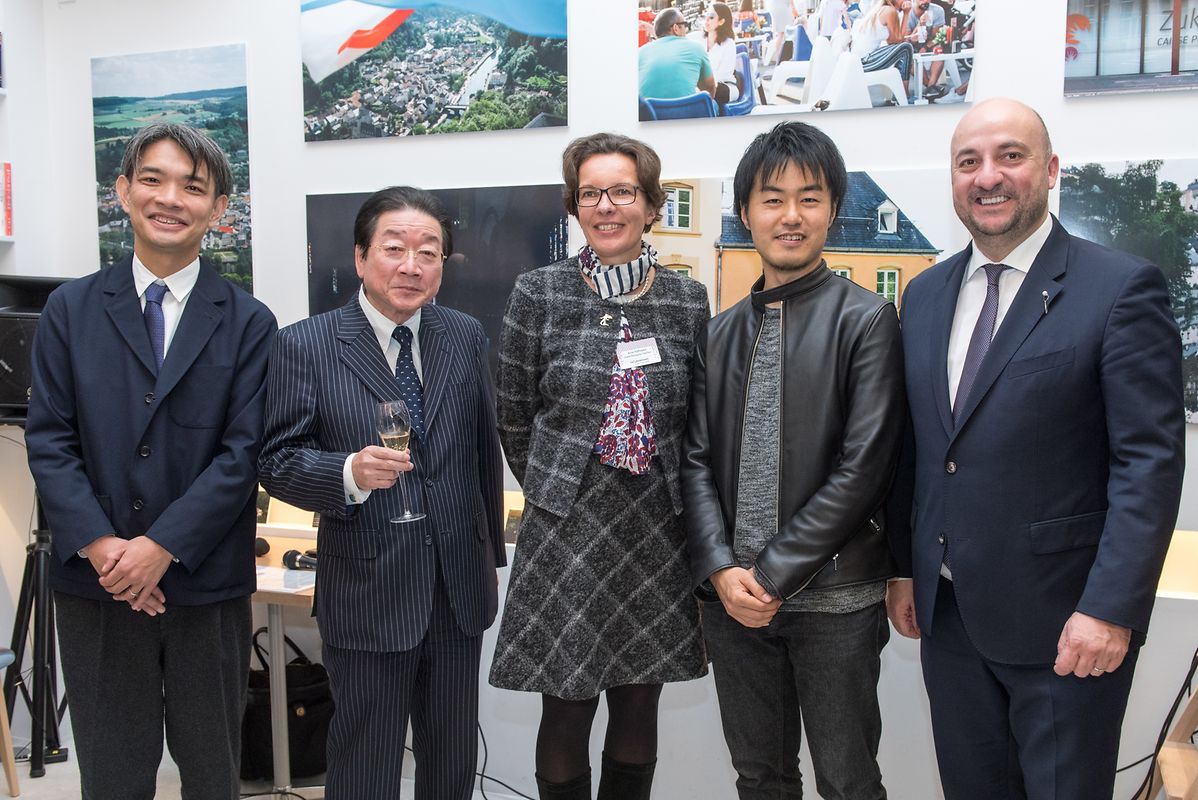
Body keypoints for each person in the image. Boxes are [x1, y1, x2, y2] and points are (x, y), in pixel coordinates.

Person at [886, 98, 1185, 799]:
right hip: (951, 619)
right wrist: (903, 566)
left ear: (1050, 171)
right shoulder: (924, 295)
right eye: (969, 162)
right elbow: (918, 448)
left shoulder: (1118, 288)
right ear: (953, 179)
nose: (988, 176)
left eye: (1009, 157)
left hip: (1067, 627)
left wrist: (1111, 608)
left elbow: (1148, 463)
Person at [25, 123, 277, 799]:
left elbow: (242, 453)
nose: (171, 198)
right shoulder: (69, 310)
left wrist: (161, 546)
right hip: (97, 585)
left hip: (205, 587)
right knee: (111, 775)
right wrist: (109, 548)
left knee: (213, 773)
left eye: (192, 187)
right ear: (123, 193)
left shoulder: (249, 321)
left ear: (219, 207)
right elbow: (49, 439)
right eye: (153, 180)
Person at [258, 186, 505, 799]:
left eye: (429, 251)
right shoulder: (305, 345)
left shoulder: (464, 335)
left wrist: (489, 557)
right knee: (365, 762)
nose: (411, 265)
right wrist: (346, 473)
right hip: (368, 591)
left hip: (455, 589)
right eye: (394, 248)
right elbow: (276, 459)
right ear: (361, 256)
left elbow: (482, 454)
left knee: (451, 763)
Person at [682, 121, 904, 800]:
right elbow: (693, 462)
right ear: (746, 211)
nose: (790, 215)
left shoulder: (868, 319)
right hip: (732, 607)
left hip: (835, 601)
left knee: (848, 780)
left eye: (809, 198)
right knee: (760, 777)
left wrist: (771, 575)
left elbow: (864, 468)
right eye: (771, 198)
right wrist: (722, 570)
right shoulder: (717, 334)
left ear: (834, 209)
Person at [489, 132, 709, 800]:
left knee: (639, 701)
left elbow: (700, 416)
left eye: (622, 191)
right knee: (567, 700)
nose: (605, 205)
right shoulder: (539, 292)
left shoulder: (687, 301)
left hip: (656, 529)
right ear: (573, 205)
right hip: (567, 532)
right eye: (590, 193)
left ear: (649, 205)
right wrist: (559, 489)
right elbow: (513, 410)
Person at [639, 7, 717, 101]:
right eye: (685, 25)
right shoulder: (696, 47)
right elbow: (709, 87)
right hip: (686, 112)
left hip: (649, 113)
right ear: (675, 28)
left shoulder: (640, 52)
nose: (686, 29)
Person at [851, 0, 915, 100]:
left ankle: (900, 94)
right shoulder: (890, 11)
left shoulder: (882, 9)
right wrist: (906, 14)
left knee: (903, 48)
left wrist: (905, 14)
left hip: (860, 60)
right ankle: (904, 95)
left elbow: (896, 41)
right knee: (906, 47)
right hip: (864, 62)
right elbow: (896, 41)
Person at [703, 3, 741, 104]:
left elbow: (724, 74)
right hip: (702, 87)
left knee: (709, 91)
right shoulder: (698, 39)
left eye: (711, 17)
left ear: (721, 21)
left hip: (725, 86)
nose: (706, 19)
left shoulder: (729, 44)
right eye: (706, 15)